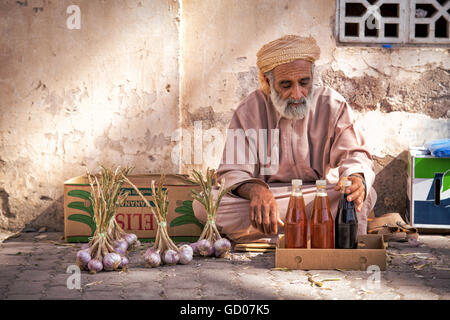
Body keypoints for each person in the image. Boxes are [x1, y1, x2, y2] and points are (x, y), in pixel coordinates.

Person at [193, 35, 377, 244]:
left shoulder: (331, 104)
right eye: (286, 84)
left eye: (304, 82)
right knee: (204, 204)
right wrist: (256, 191)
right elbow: (233, 171)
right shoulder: (250, 109)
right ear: (268, 82)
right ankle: (318, 231)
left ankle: (276, 233)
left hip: (315, 195)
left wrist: (356, 179)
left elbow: (355, 154)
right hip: (266, 197)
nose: (297, 94)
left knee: (363, 195)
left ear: (312, 77)